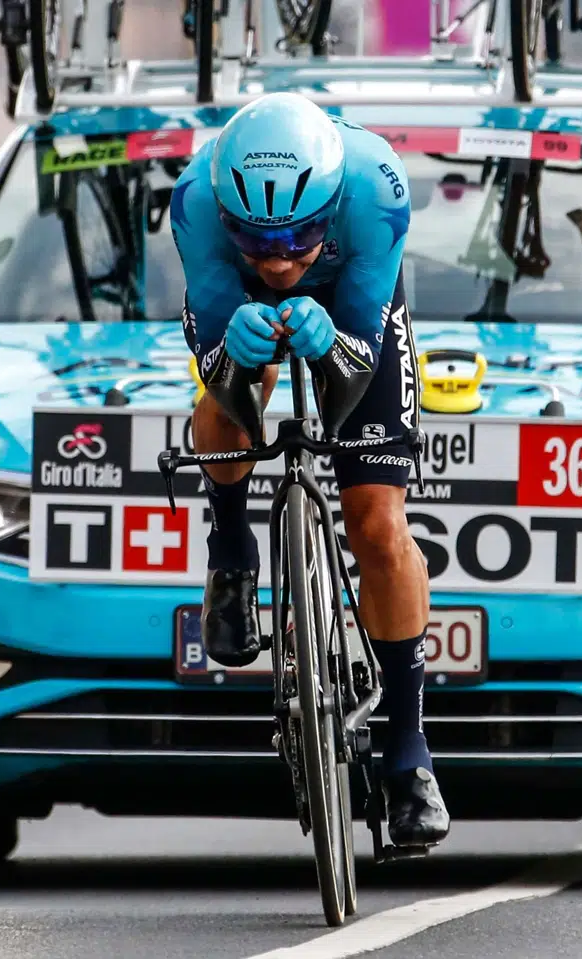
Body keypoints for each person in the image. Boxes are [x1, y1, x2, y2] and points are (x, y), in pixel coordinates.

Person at [169, 92, 449, 848]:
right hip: (240, 313)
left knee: (378, 525)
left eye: (298, 237)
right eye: (257, 240)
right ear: (226, 216)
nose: (280, 259)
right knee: (231, 398)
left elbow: (356, 366)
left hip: (353, 306)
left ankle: (408, 755)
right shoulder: (195, 201)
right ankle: (230, 551)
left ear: (329, 207)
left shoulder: (376, 190)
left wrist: (330, 341)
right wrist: (239, 351)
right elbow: (220, 374)